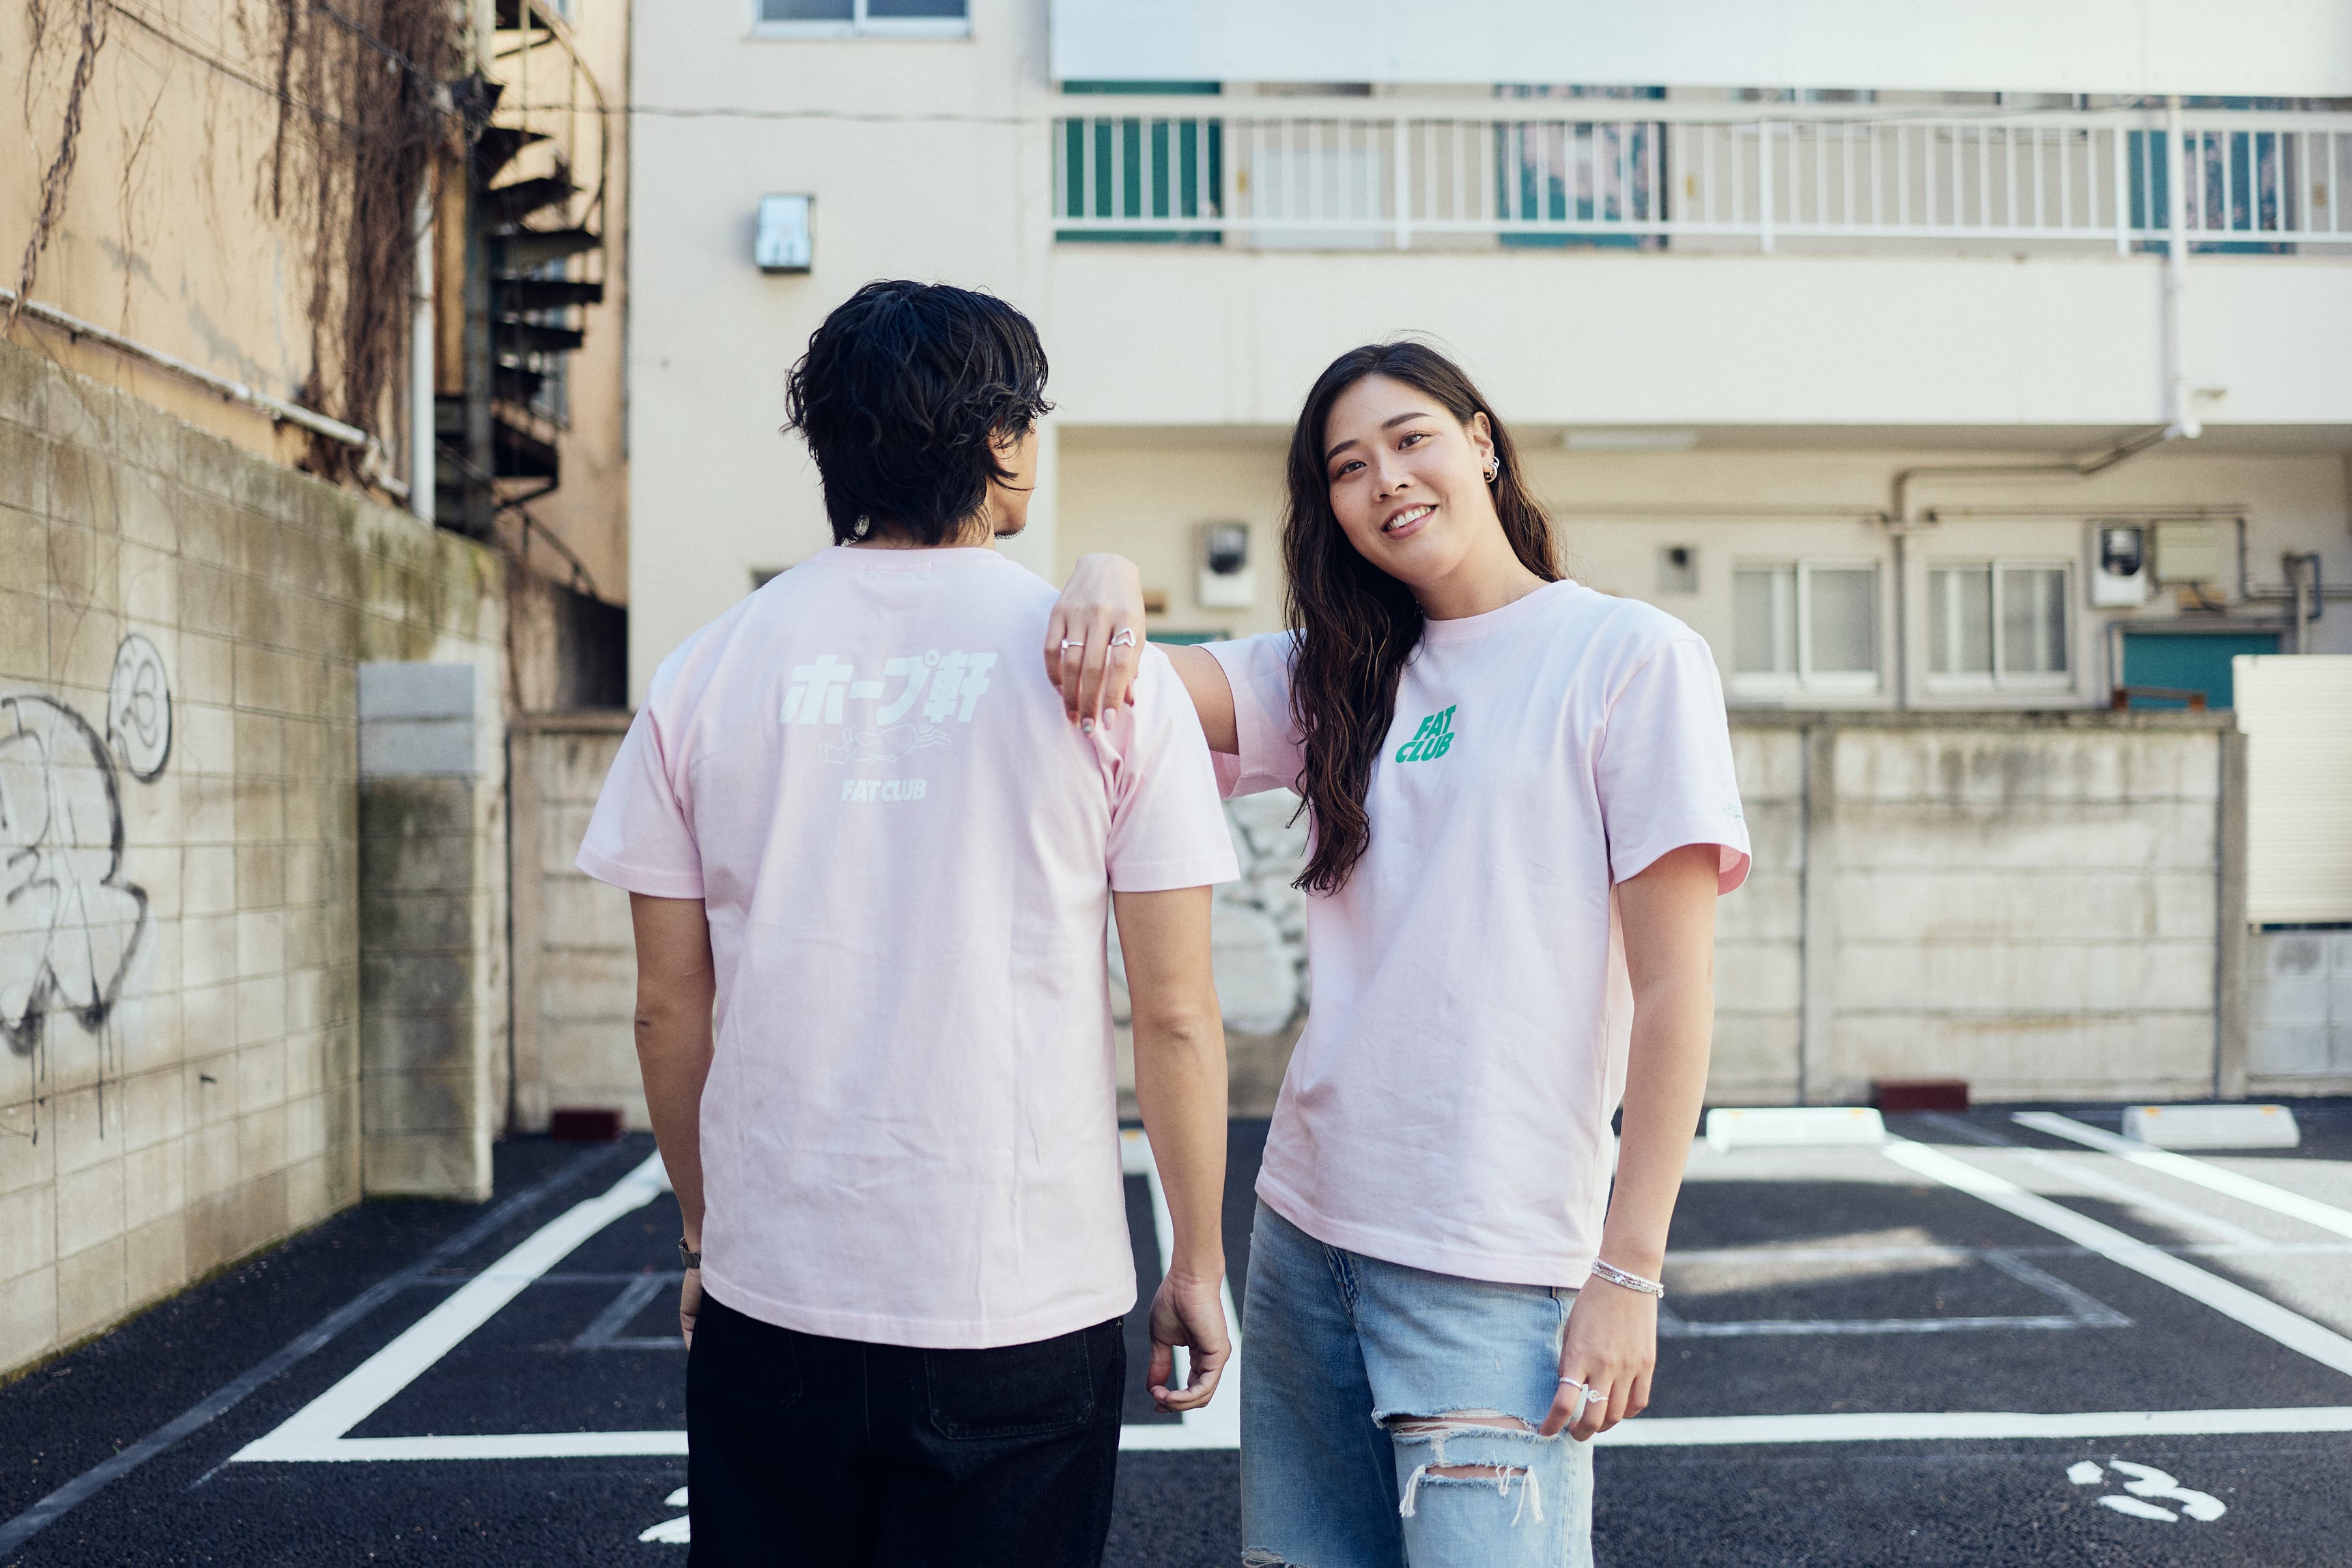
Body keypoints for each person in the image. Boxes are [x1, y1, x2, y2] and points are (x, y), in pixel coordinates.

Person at [1045, 341, 1748, 1567]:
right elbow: (1133, 685)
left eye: (1410, 439)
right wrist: (1104, 570)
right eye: (1346, 467)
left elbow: (1675, 987)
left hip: (1493, 1256)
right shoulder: (1337, 675)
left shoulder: (1628, 657)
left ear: (1481, 441)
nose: (1385, 481)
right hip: (1306, 1238)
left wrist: (1629, 1272)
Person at [578, 280, 1239, 1568]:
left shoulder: (706, 670)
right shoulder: (1107, 675)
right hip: (1021, 1294)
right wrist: (1197, 1263)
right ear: (997, 441)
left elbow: (667, 1005)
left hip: (776, 1294)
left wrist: (707, 1235)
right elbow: (1174, 1013)